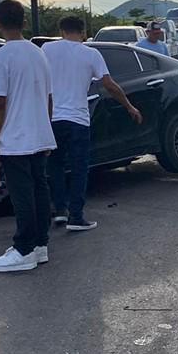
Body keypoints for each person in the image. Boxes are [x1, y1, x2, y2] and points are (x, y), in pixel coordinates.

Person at [42, 15, 143, 232]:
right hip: (78, 119)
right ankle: (76, 217)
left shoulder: (47, 50)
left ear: (61, 30)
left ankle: (60, 210)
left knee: (55, 166)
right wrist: (129, 106)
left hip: (52, 119)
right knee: (79, 168)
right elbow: (109, 85)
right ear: (83, 32)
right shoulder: (91, 54)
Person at [0, 0, 56, 273]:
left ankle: (24, 249)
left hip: (16, 138)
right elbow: (49, 98)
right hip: (39, 134)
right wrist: (45, 129)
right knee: (39, 189)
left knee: (22, 194)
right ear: (24, 22)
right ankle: (40, 245)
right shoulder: (39, 54)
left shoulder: (1, 57)